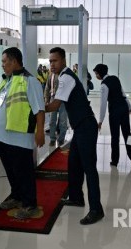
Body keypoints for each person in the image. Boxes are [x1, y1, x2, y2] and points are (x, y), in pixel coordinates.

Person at [0, 47, 45, 219]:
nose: (2, 65)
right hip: (1, 135)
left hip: (18, 136)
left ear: (14, 61)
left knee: (23, 170)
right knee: (11, 169)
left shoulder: (29, 81)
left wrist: (40, 131)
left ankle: (30, 203)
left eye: (4, 61)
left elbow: (39, 109)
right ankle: (17, 196)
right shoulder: (6, 82)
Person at [46, 47, 104, 225]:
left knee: (89, 168)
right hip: (80, 128)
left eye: (55, 61)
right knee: (73, 163)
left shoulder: (66, 78)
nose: (52, 64)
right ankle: (77, 197)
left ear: (63, 60)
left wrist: (38, 108)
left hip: (86, 127)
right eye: (50, 61)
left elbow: (55, 105)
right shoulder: (62, 76)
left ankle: (96, 209)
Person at [93, 63, 131, 167]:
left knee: (115, 137)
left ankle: (115, 161)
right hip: (124, 109)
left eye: (96, 74)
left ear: (100, 73)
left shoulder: (104, 84)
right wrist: (130, 108)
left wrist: (100, 121)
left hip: (115, 112)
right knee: (127, 134)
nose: (96, 76)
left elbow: (103, 104)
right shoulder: (115, 78)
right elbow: (123, 94)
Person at [44, 71, 67, 147]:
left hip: (63, 101)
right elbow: (47, 88)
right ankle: (52, 139)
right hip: (53, 99)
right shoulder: (51, 75)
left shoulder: (64, 75)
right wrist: (47, 100)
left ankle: (61, 140)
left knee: (63, 122)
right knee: (52, 121)